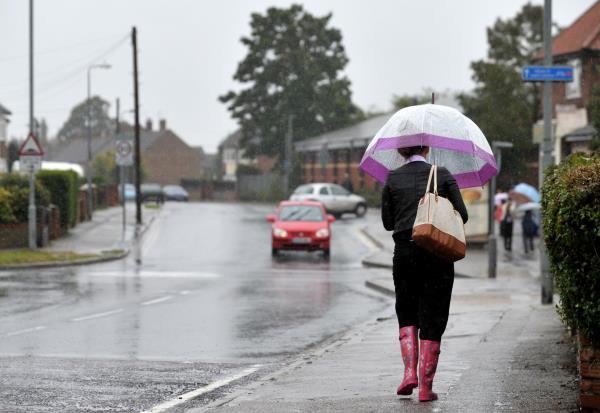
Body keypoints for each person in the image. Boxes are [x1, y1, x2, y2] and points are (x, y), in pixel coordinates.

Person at [381, 145, 468, 402]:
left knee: (406, 310)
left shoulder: (392, 178)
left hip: (404, 254)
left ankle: (409, 373)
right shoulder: (442, 175)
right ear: (427, 148)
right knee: (434, 313)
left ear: (401, 150)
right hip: (437, 255)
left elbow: (388, 223)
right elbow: (462, 215)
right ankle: (426, 388)